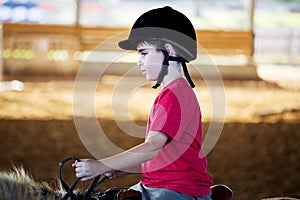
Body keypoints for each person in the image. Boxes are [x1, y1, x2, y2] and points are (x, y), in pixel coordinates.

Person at [73, 6, 213, 200]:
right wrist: (123, 167)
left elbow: (153, 145)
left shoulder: (175, 95)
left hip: (179, 191)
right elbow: (163, 157)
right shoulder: (174, 92)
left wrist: (102, 165)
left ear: (168, 50)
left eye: (144, 53)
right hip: (160, 185)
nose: (139, 62)